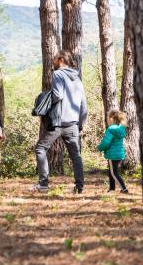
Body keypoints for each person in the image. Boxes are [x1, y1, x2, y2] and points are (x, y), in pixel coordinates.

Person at [34, 50, 87, 193]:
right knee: (76, 156)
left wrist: (44, 102)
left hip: (58, 122)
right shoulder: (77, 78)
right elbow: (83, 105)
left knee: (40, 148)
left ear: (61, 60)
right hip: (73, 124)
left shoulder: (58, 74)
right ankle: (80, 187)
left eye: (55, 59)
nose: (52, 60)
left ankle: (43, 184)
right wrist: (80, 124)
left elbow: (57, 95)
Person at [97, 109, 129, 194]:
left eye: (107, 117)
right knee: (112, 172)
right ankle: (112, 188)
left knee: (114, 173)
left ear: (111, 118)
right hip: (119, 153)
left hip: (112, 154)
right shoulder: (121, 128)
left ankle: (124, 189)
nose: (107, 119)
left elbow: (106, 142)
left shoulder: (111, 129)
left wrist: (99, 148)